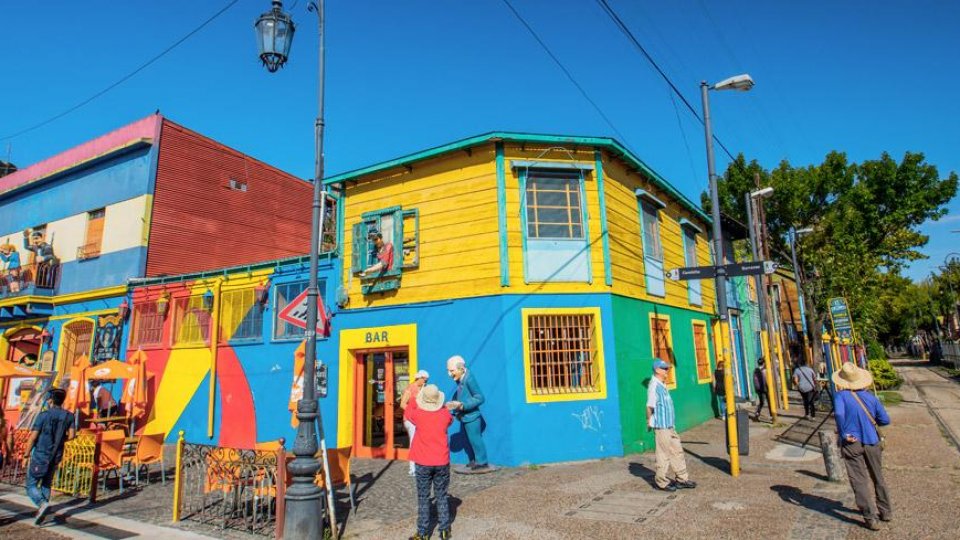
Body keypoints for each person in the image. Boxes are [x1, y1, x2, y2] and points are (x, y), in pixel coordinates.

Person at [832, 362, 892, 531]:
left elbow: (838, 413)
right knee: (878, 476)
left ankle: (870, 517)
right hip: (872, 440)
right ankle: (886, 511)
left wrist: (843, 432)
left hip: (852, 442)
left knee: (859, 480)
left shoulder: (840, 396)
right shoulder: (871, 397)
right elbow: (885, 420)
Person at [404, 384, 454, 540]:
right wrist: (443, 406)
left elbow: (407, 412)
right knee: (442, 495)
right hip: (441, 461)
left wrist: (414, 397)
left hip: (423, 462)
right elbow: (449, 419)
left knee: (423, 497)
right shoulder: (445, 415)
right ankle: (445, 530)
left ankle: (423, 533)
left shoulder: (418, 414)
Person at [22, 388, 74, 524]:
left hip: (41, 454)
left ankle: (42, 504)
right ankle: (42, 511)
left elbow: (33, 437)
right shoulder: (69, 416)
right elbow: (72, 435)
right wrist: (62, 439)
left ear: (50, 400)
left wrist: (26, 454)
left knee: (31, 485)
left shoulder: (43, 415)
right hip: (56, 455)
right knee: (46, 483)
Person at [647, 359, 696, 492]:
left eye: (667, 368)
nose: (667, 370)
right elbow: (650, 406)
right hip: (662, 426)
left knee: (677, 451)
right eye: (664, 368)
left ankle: (682, 479)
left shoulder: (662, 385)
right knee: (663, 454)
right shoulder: (654, 386)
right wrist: (649, 421)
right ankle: (661, 482)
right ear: (657, 370)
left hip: (670, 425)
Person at [446, 355, 489, 471]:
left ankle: (482, 461)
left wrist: (462, 405)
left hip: (472, 416)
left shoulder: (469, 378)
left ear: (461, 369)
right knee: (471, 440)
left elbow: (480, 398)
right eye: (448, 371)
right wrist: (456, 405)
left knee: (475, 439)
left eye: (452, 371)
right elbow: (463, 394)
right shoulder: (461, 379)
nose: (450, 374)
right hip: (466, 416)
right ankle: (475, 460)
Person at [400, 369, 430, 476]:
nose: (425, 382)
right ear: (419, 378)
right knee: (413, 442)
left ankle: (421, 465)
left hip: (420, 419)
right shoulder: (410, 388)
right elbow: (402, 404)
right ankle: (412, 469)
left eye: (427, 380)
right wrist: (413, 412)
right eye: (424, 380)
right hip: (410, 419)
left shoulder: (424, 388)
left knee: (421, 442)